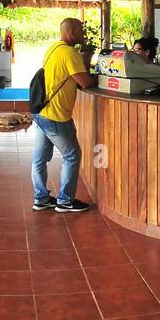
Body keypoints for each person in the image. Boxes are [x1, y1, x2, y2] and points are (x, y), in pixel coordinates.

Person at [32, 17, 97, 214]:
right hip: (57, 116)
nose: (83, 34)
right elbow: (84, 82)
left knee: (39, 159)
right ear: (71, 33)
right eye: (80, 30)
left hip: (42, 111)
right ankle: (65, 201)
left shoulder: (54, 48)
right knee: (72, 155)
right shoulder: (70, 53)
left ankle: (41, 198)